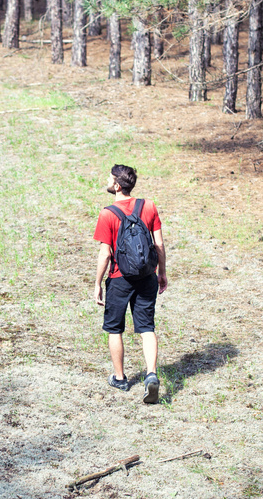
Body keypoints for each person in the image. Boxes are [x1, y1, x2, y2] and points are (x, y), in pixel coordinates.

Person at [92, 164, 168, 403]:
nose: (107, 181)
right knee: (147, 328)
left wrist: (97, 283)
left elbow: (105, 253)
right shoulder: (149, 206)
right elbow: (159, 244)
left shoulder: (108, 214)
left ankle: (120, 378)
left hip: (119, 279)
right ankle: (151, 375)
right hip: (147, 276)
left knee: (114, 329)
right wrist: (162, 272)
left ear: (117, 186)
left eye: (110, 178)